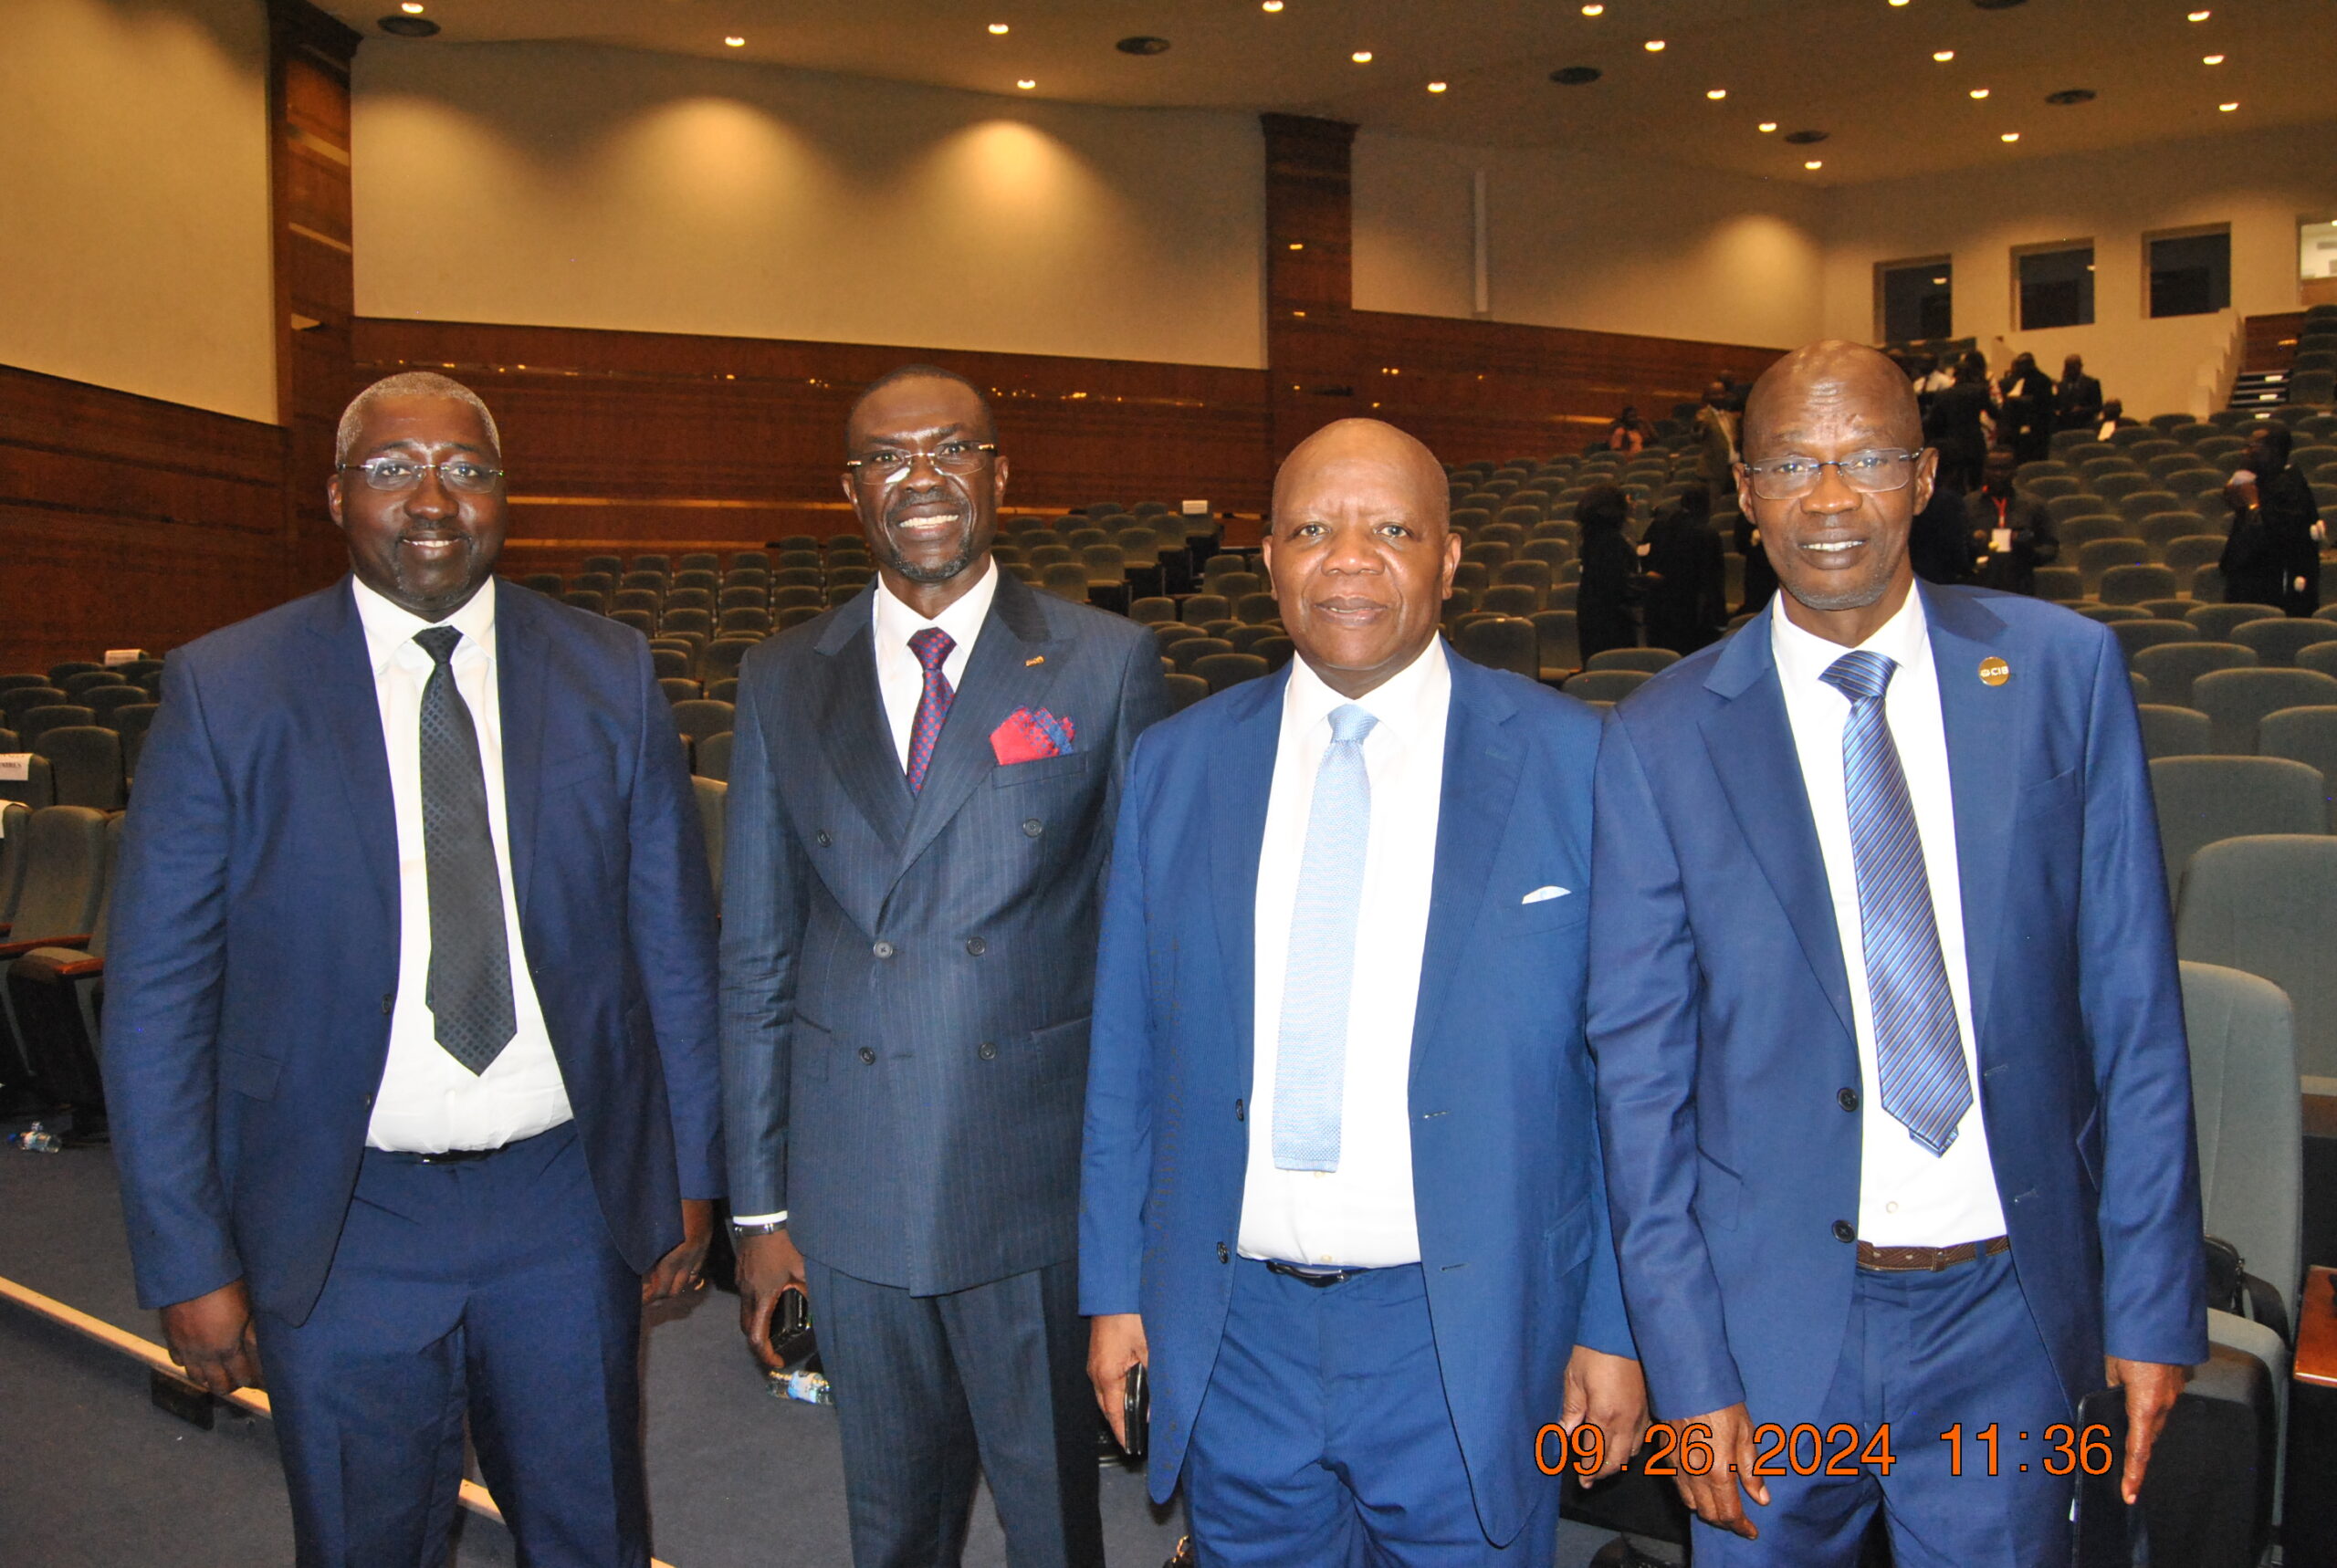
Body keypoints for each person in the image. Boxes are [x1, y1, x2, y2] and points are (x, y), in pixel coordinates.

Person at [1589, 340, 2203, 1566]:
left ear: (1923, 478)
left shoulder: (2061, 673)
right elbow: (1639, 1084)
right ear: (1746, 492)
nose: (1829, 497)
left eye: (1866, 457)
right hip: (1763, 1330)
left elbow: (2133, 1010)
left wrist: (2149, 1300)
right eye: (1791, 464)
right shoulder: (1660, 738)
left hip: (2005, 1315)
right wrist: (1686, 1362)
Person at [102, 371, 723, 1566]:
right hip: (344, 1214)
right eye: (393, 469)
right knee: (364, 1541)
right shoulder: (229, 688)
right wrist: (186, 1253)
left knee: (593, 1532)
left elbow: (672, 949)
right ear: (337, 495)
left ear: (504, 496)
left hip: (564, 1203)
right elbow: (157, 1002)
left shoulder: (608, 669)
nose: (433, 499)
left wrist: (688, 1170)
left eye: (467, 469)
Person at [1080, 417, 1646, 1567]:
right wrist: (1113, 1287)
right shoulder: (1176, 764)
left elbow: (1627, 1079)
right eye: (1309, 530)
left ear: (1449, 557)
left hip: (1468, 1329)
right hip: (1235, 1330)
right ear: (1268, 560)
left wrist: (1613, 1322)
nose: (1347, 558)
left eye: (1391, 528)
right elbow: (1126, 1055)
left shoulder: (1573, 759)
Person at [719, 365, 1169, 1568]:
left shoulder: (1103, 661)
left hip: (1030, 1179)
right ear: (849, 489)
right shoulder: (780, 675)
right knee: (892, 1524)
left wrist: (1135, 1213)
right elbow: (757, 956)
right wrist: (759, 1209)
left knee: (1053, 1522)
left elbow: (1144, 958)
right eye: (886, 456)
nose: (920, 477)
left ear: (1000, 473)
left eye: (951, 448)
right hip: (852, 1181)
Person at [2221, 423, 2325, 616]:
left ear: (2274, 451)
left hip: (2276, 593)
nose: (2245, 452)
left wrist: (2253, 504)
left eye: (2253, 446)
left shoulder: (2290, 487)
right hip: (2249, 586)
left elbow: (2271, 538)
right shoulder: (2262, 482)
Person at [1641, 483, 1729, 654]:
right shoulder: (1707, 534)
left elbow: (1646, 560)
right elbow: (1713, 581)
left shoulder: (1658, 527)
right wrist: (1719, 619)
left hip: (1658, 612)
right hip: (1691, 613)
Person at [1965, 444, 2059, 596]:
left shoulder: (2033, 505)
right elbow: (1954, 549)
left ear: (2015, 470)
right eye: (1993, 468)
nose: (1999, 474)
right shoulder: (1967, 505)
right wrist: (1973, 543)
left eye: (2005, 468)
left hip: (2020, 586)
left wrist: (2028, 550)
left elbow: (2051, 548)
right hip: (1978, 586)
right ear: (1984, 470)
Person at [1575, 484, 1643, 661]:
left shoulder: (1590, 540)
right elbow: (1618, 586)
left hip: (1591, 615)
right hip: (1612, 620)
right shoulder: (1613, 542)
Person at [1921, 353, 1991, 495]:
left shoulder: (1943, 395)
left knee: (1955, 485)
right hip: (1974, 441)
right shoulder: (1979, 391)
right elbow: (1994, 413)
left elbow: (1934, 421)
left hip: (1952, 444)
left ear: (1954, 375)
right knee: (1976, 482)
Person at [1996, 350, 2055, 465]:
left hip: (2039, 428)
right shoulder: (2024, 380)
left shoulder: (2042, 380)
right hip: (2024, 427)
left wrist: (2017, 400)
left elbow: (2039, 401)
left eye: (2020, 365)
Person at [1696, 381, 1740, 491]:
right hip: (1714, 473)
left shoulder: (1730, 416)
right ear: (1708, 397)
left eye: (1722, 394)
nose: (1720, 397)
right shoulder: (1703, 415)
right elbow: (1697, 436)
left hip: (1733, 469)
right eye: (1715, 394)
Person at [2053, 354, 2103, 433]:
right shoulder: (2061, 386)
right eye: (2068, 367)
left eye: (2073, 367)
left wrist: (2082, 410)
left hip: (2086, 424)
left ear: (2080, 366)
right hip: (2065, 426)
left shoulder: (2091, 383)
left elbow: (2098, 406)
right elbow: (2057, 406)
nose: (2070, 370)